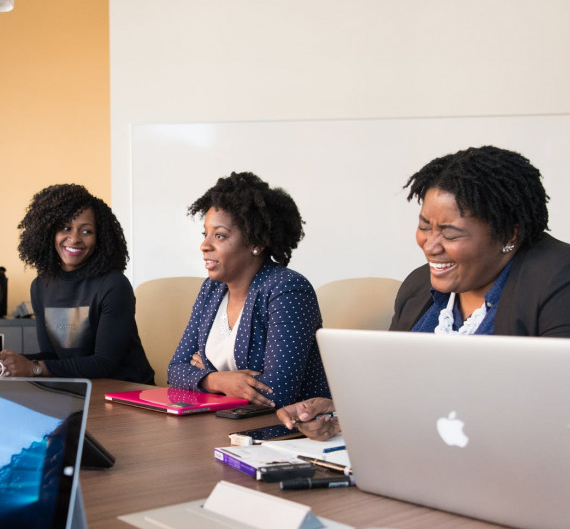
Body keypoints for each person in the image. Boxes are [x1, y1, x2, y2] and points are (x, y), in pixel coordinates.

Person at [278, 145, 570, 438]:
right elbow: (392, 389)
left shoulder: (557, 279)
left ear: (510, 234)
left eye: (450, 233)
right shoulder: (419, 286)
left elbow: (556, 409)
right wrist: (344, 414)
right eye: (424, 227)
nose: (430, 246)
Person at [167, 171, 330, 408]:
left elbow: (274, 393)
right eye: (206, 234)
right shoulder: (211, 289)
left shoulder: (287, 289)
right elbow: (175, 370)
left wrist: (205, 373)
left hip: (285, 431)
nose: (204, 245)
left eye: (220, 236)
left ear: (256, 242)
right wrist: (219, 380)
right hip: (223, 423)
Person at [0, 184, 154, 383]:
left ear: (99, 238)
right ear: (49, 233)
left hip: (126, 393)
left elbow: (103, 363)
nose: (74, 239)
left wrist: (32, 368)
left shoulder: (114, 285)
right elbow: (53, 358)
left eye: (86, 231)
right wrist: (13, 362)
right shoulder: (40, 286)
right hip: (79, 391)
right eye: (65, 228)